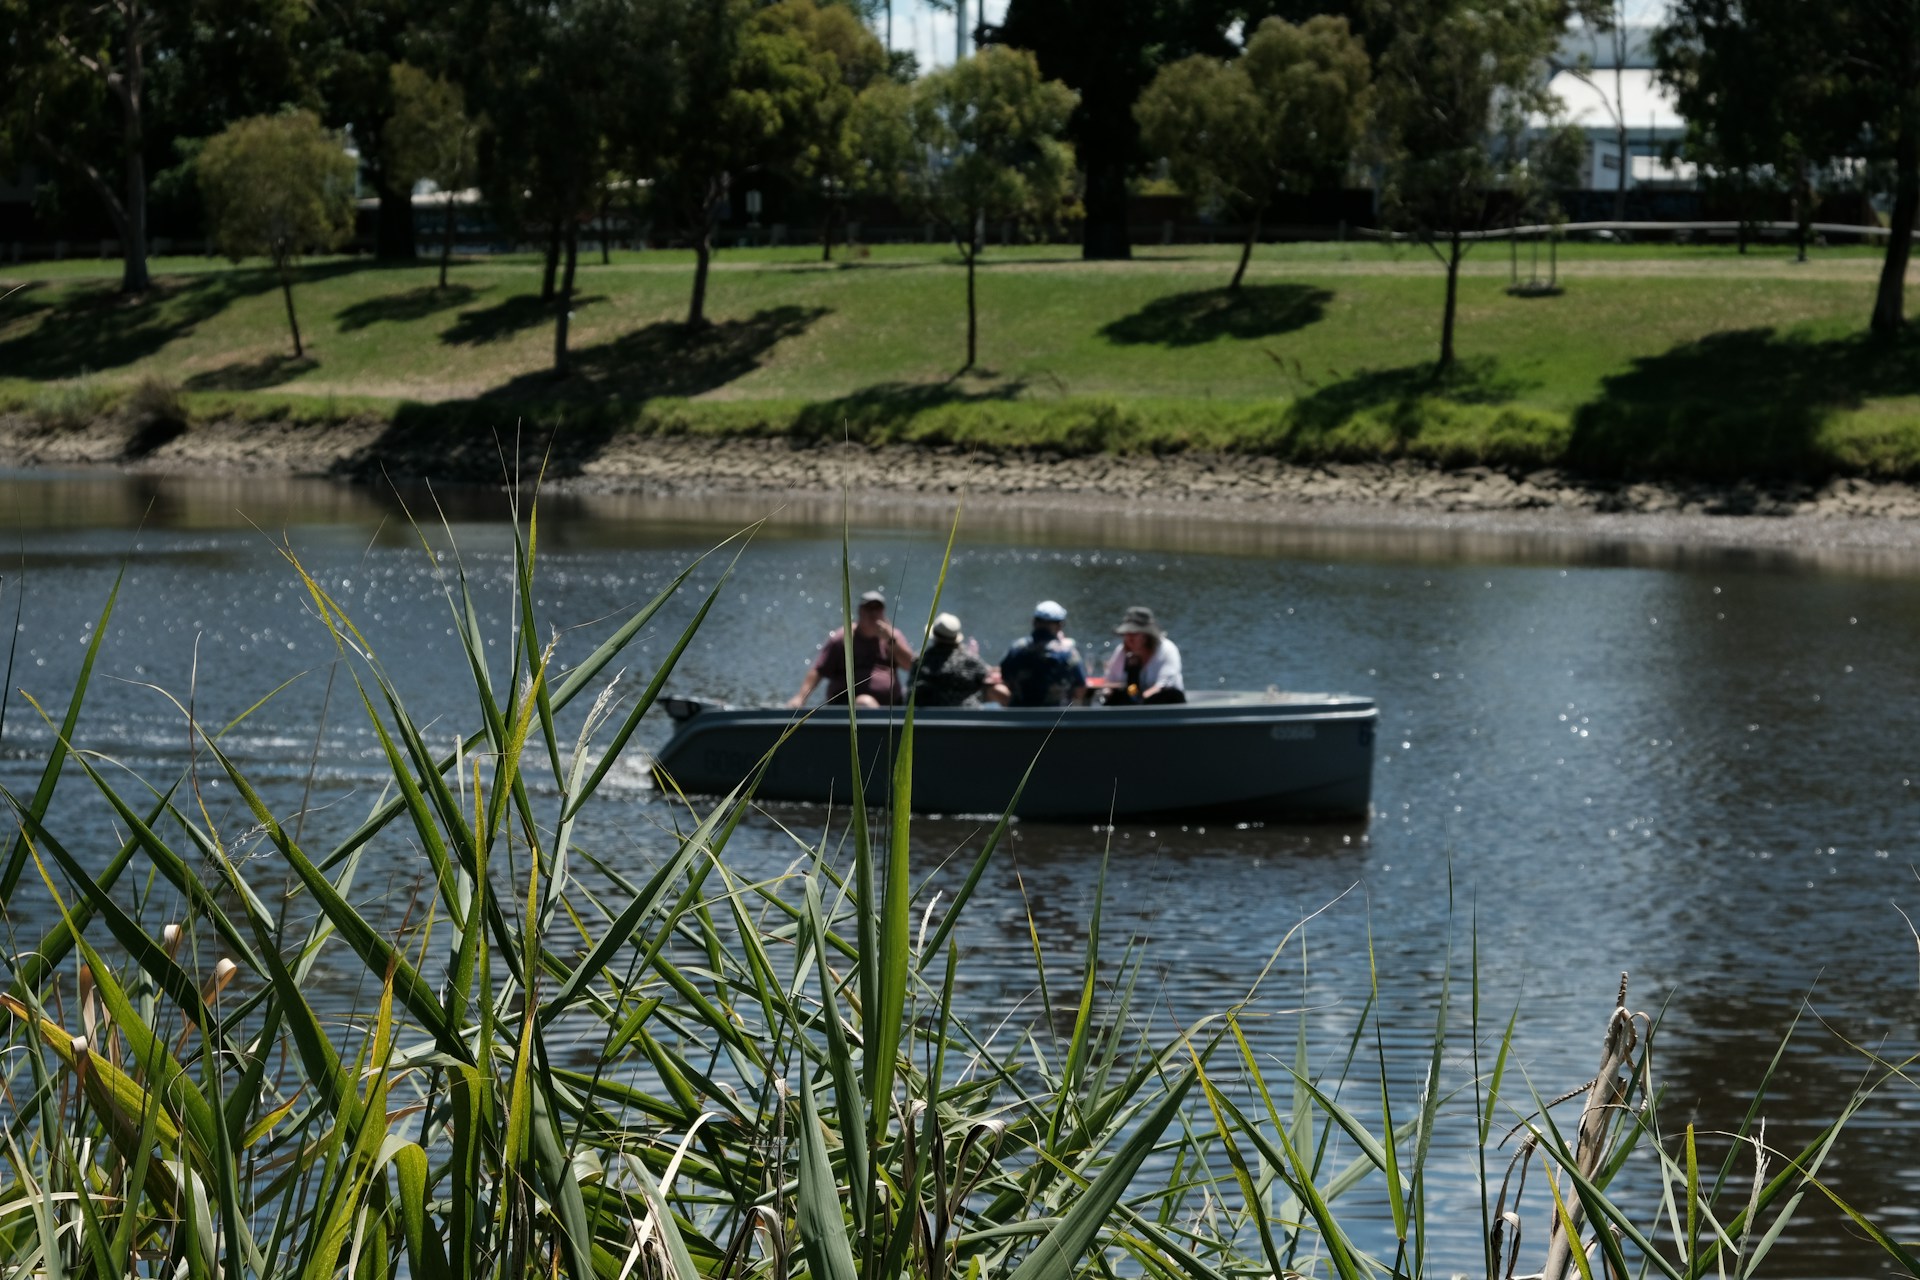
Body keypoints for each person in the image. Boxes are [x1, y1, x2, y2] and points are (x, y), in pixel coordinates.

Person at [787, 589, 916, 708]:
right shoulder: (843, 638)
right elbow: (818, 670)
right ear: (860, 611)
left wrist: (891, 641)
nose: (873, 614)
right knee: (865, 702)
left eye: (877, 609)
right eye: (868, 609)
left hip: (891, 707)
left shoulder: (893, 637)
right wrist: (800, 698)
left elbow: (910, 666)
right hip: (847, 706)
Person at [999, 599, 1087, 707]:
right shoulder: (1068, 653)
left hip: (1020, 715)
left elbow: (1005, 679)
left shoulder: (1015, 648)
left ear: (1034, 622)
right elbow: (1080, 688)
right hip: (1057, 718)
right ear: (1060, 625)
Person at [911, 612, 1010, 707]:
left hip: (926, 719)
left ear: (934, 636)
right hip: (966, 717)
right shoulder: (969, 660)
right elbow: (989, 676)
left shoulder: (919, 660)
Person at [1102, 605, 1186, 705]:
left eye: (1133, 634)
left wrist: (1138, 701)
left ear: (1146, 636)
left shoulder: (1167, 650)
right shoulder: (1122, 651)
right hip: (1137, 703)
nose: (1129, 639)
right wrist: (1108, 692)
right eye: (1126, 633)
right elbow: (1111, 680)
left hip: (1165, 703)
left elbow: (1162, 685)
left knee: (1169, 694)